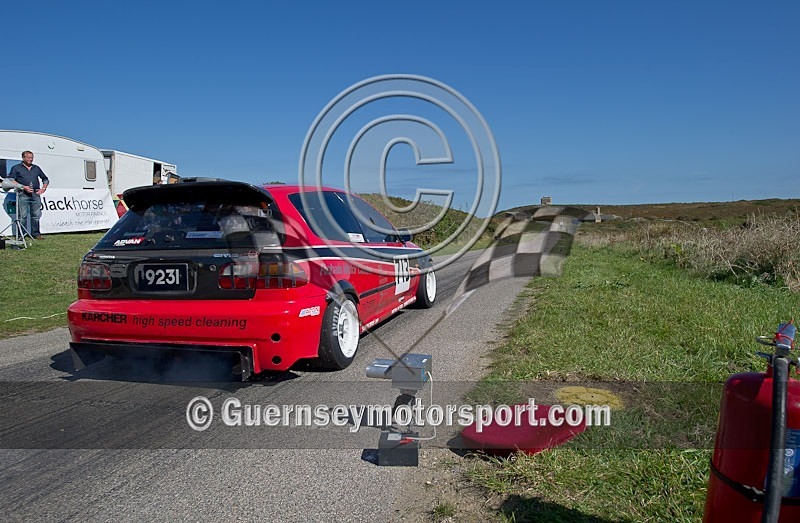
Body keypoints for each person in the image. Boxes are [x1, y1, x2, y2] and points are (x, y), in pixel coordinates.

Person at [9, 150, 48, 239]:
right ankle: (21, 235)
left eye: (32, 157)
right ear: (23, 158)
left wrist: (43, 189)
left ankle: (36, 234)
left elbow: (45, 179)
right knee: (23, 216)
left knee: (35, 216)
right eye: (29, 157)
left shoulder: (36, 168)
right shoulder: (16, 168)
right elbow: (11, 179)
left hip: (35, 194)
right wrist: (22, 187)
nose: (31, 159)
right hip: (22, 194)